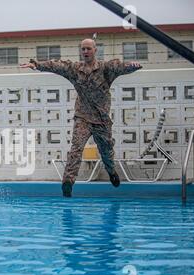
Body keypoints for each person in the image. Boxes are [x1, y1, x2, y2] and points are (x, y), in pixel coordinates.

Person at [20, 38, 142, 197]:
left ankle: (111, 171)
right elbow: (57, 66)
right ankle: (68, 183)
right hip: (83, 118)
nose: (85, 52)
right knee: (76, 149)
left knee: (106, 152)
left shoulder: (105, 69)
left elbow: (120, 66)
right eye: (83, 49)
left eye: (88, 49)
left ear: (95, 50)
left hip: (102, 121)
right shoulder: (75, 69)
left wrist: (132, 66)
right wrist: (37, 65)